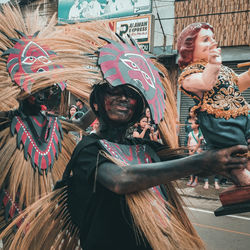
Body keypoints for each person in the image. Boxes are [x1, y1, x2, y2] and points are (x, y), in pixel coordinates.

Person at [1, 23, 248, 250]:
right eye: (113, 92)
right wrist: (201, 162)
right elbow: (121, 179)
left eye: (130, 95)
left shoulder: (146, 149)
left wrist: (222, 159)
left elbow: (179, 166)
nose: (123, 98)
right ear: (96, 105)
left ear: (139, 107)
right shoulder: (89, 149)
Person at [177, 22, 250, 186]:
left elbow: (239, 84)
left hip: (242, 115)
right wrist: (214, 64)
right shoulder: (189, 73)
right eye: (205, 40)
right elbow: (206, 83)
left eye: (213, 39)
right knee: (237, 157)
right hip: (221, 123)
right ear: (189, 48)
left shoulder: (224, 70)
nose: (213, 42)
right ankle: (244, 183)